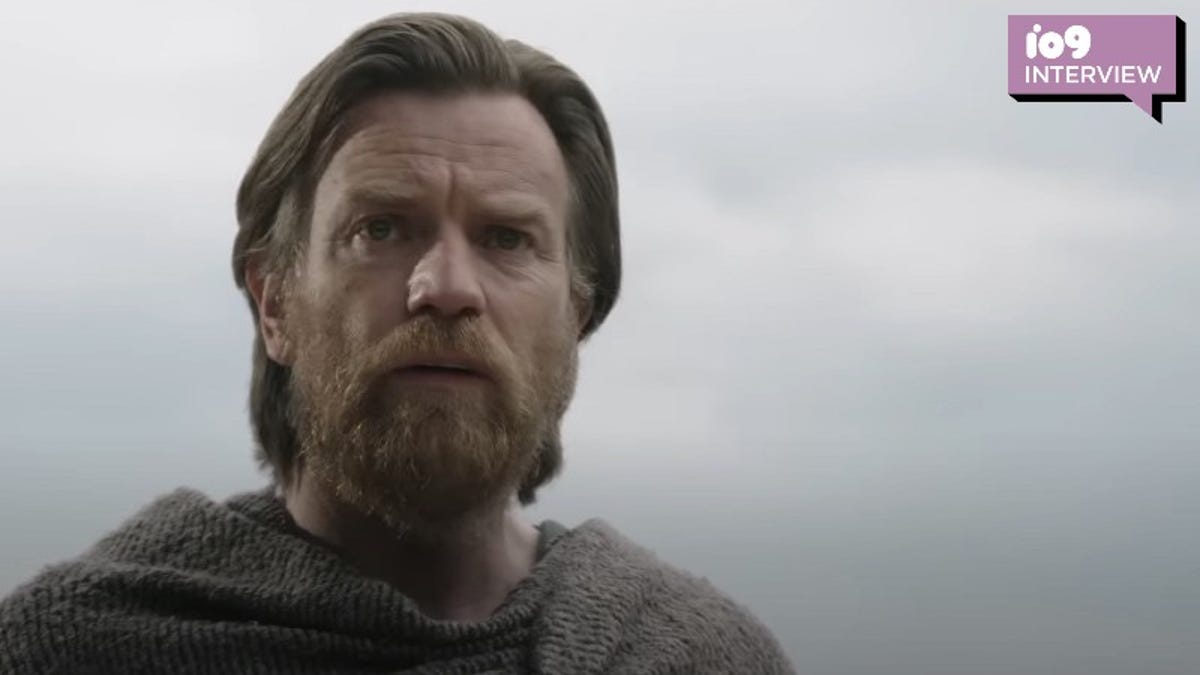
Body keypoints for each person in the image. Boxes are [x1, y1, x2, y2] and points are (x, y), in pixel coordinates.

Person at [0, 13, 793, 674]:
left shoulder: (700, 657)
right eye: (380, 229)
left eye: (507, 238)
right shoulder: (65, 652)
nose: (446, 286)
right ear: (275, 303)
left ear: (576, 317)